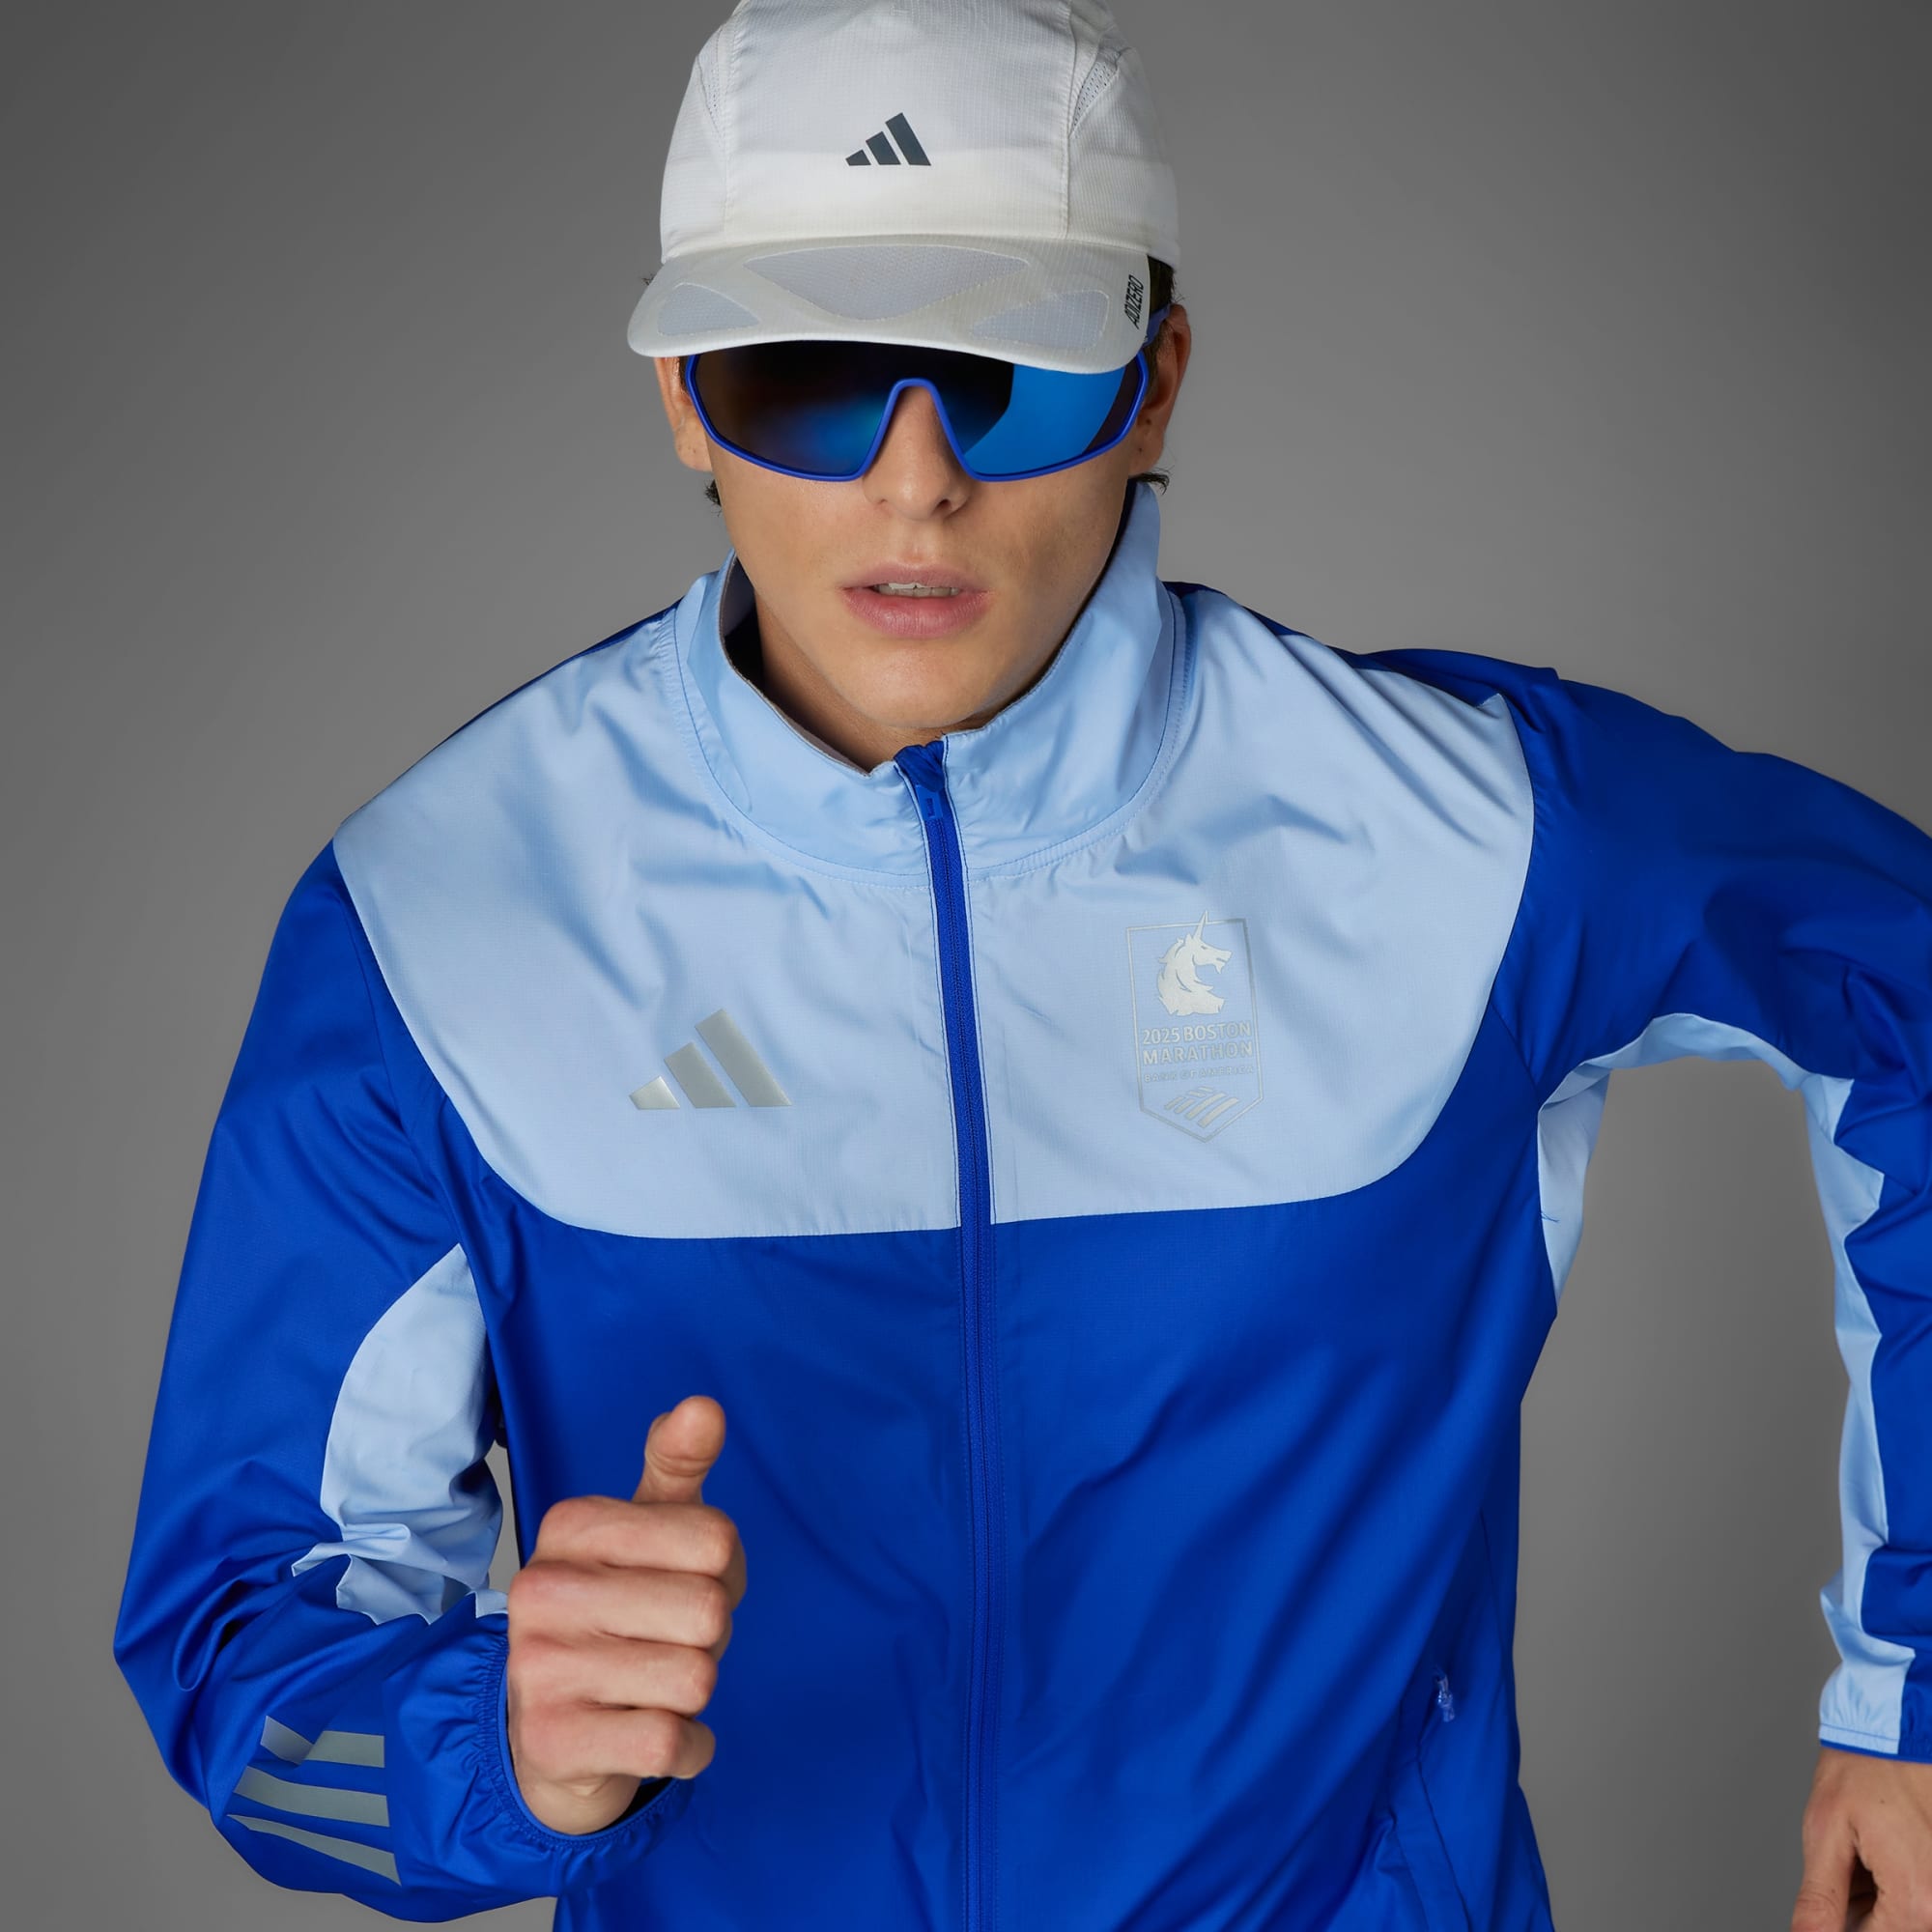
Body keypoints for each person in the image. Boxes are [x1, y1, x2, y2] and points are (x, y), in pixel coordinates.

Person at [111, 2, 1932, 1926]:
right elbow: (238, 1654)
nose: (916, 481)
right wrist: (504, 1746)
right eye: (809, 376)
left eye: (1009, 373)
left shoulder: (1464, 830)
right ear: (684, 400)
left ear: (1153, 385)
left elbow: (1896, 973)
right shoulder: (440, 917)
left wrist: (1910, 1686)